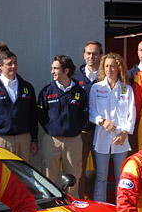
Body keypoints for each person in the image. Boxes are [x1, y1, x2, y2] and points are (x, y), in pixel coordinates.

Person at [89, 52, 135, 203]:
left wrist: (125, 133)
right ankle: (99, 207)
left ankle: (121, 209)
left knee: (120, 177)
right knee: (101, 176)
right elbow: (91, 111)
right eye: (107, 66)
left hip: (120, 139)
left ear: (119, 68)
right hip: (102, 138)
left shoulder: (127, 89)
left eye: (112, 66)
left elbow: (131, 114)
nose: (109, 69)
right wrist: (102, 121)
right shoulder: (96, 88)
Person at [37, 54, 88, 190]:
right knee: (48, 178)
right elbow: (41, 114)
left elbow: (84, 113)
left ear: (66, 71)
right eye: (52, 68)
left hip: (73, 141)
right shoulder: (46, 91)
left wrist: (75, 128)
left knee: (73, 178)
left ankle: (72, 207)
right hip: (52, 140)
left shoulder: (80, 93)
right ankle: (50, 206)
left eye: (55, 68)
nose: (52, 71)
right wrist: (50, 128)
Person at [0, 49, 38, 161]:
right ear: (0, 66)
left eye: (15, 62)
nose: (13, 66)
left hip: (23, 138)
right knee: (2, 173)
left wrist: (34, 139)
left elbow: (33, 115)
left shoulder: (26, 87)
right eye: (9, 64)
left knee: (23, 175)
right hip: (1, 139)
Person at [73, 41, 104, 196]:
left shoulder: (107, 75)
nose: (91, 56)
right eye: (88, 53)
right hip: (82, 131)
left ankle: (97, 202)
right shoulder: (74, 76)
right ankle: (80, 202)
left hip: (101, 131)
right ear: (84, 55)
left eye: (95, 53)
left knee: (100, 171)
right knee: (79, 169)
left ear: (101, 55)